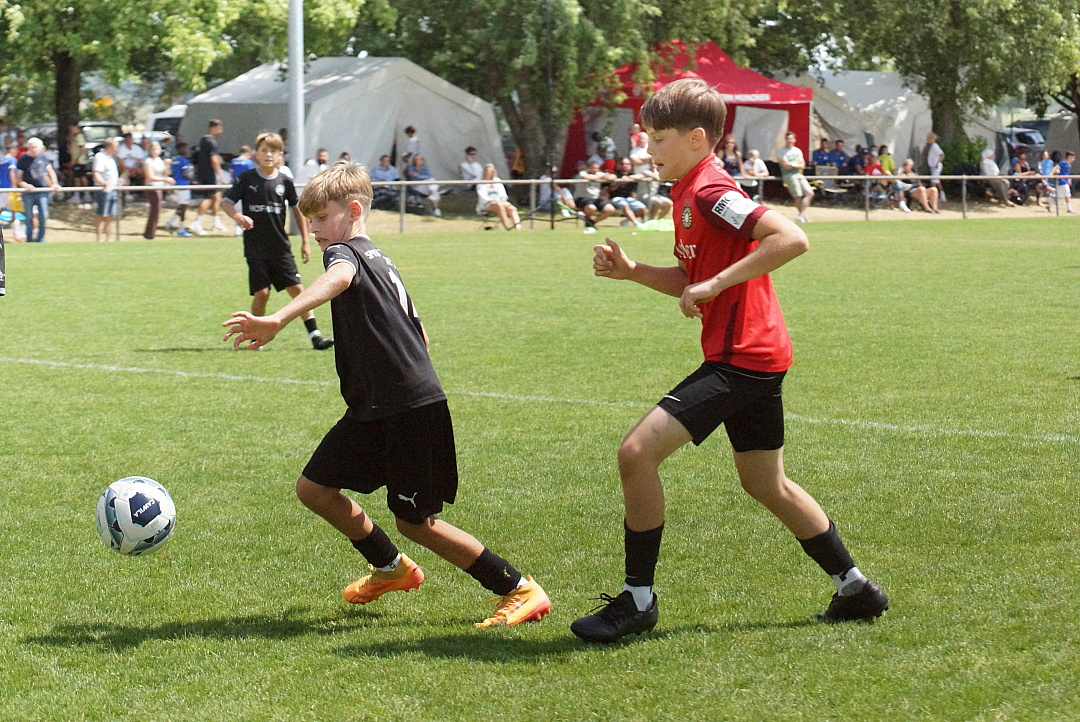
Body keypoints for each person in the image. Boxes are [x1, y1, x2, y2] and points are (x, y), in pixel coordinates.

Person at [571, 78, 887, 644]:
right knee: (766, 482)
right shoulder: (686, 193)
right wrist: (633, 272)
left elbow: (790, 238)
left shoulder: (712, 191)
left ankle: (637, 600)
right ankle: (855, 587)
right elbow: (690, 280)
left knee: (636, 454)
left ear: (696, 139)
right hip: (755, 355)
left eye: (658, 138)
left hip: (742, 357)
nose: (648, 148)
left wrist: (716, 283)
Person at [220, 160, 551, 628]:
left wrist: (278, 318)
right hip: (376, 407)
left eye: (321, 217)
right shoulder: (380, 257)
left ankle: (517, 587)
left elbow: (339, 277)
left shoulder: (345, 252)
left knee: (415, 521)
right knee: (314, 488)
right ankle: (391, 567)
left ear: (354, 210)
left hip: (405, 409)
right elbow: (420, 333)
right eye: (309, 219)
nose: (314, 228)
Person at [221, 132, 333, 351]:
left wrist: (305, 241)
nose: (268, 155)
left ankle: (316, 336)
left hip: (280, 247)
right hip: (255, 247)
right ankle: (255, 337)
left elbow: (297, 211)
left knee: (297, 290)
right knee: (262, 293)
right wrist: (238, 217)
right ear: (256, 154)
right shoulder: (246, 179)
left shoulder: (284, 181)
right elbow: (226, 202)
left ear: (280, 155)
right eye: (264, 151)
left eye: (273, 151)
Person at [16, 137, 61, 243]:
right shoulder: (23, 159)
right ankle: (29, 239)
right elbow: (18, 178)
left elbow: (50, 171)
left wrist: (54, 183)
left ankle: (40, 239)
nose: (33, 149)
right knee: (28, 216)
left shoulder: (43, 158)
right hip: (28, 192)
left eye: (35, 147)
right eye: (31, 147)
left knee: (43, 215)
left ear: (40, 148)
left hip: (42, 191)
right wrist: (25, 185)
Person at [190, 119, 226, 235]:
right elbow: (214, 160)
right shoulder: (211, 142)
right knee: (209, 197)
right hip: (209, 174)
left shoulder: (203, 140)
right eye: (219, 128)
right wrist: (220, 174)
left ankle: (216, 222)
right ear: (213, 128)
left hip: (203, 172)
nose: (221, 131)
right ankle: (196, 222)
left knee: (217, 196)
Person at [142, 141, 175, 239]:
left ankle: (151, 233)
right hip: (152, 187)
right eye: (154, 149)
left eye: (158, 149)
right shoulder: (148, 161)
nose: (156, 151)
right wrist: (165, 179)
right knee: (155, 210)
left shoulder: (159, 160)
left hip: (159, 187)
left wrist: (167, 165)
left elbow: (165, 173)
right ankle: (149, 234)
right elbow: (150, 177)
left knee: (157, 210)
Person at [779, 131, 814, 223]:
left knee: (810, 193)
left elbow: (802, 165)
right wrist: (796, 164)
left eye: (791, 138)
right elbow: (786, 166)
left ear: (794, 139)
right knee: (798, 196)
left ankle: (801, 216)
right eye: (788, 139)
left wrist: (792, 164)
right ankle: (804, 217)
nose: (789, 140)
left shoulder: (797, 151)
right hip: (789, 175)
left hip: (799, 174)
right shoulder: (782, 151)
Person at [475, 163, 521, 230]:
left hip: (500, 202)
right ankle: (508, 227)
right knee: (500, 205)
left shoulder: (497, 181)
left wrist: (503, 201)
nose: (489, 173)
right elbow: (483, 197)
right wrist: (494, 202)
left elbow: (502, 193)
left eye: (491, 171)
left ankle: (517, 227)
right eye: (487, 171)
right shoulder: (480, 184)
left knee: (512, 208)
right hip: (487, 205)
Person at [574, 159, 615, 234]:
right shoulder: (582, 172)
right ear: (588, 168)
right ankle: (587, 218)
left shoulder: (599, 174)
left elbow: (612, 176)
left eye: (597, 168)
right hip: (582, 198)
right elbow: (588, 177)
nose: (595, 170)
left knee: (610, 209)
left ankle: (592, 222)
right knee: (592, 208)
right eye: (593, 168)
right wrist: (603, 177)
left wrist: (606, 176)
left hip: (596, 199)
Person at [91, 138, 120, 242]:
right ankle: (99, 239)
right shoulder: (100, 157)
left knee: (110, 216)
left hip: (113, 190)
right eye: (116, 146)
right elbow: (96, 173)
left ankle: (109, 238)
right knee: (101, 215)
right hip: (104, 191)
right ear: (110, 146)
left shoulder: (111, 158)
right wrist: (103, 183)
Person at [608, 157, 648, 227]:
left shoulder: (632, 174)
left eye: (627, 164)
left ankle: (625, 221)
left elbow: (641, 176)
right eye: (622, 164)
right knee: (625, 205)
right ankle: (636, 223)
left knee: (642, 208)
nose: (624, 166)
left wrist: (630, 178)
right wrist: (619, 179)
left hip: (629, 198)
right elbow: (609, 177)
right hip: (616, 198)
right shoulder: (616, 174)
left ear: (631, 166)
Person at [165, 141, 194, 237]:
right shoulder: (183, 160)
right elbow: (186, 173)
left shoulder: (174, 159)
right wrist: (193, 180)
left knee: (181, 206)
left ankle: (171, 221)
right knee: (183, 207)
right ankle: (181, 228)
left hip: (176, 185)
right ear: (181, 149)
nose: (187, 150)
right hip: (183, 185)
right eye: (185, 148)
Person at [925, 132, 945, 202]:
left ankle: (934, 196)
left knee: (933, 181)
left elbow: (942, 155)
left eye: (928, 139)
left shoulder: (935, 146)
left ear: (932, 139)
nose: (927, 140)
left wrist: (937, 162)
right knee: (937, 181)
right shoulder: (932, 146)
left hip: (936, 166)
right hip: (933, 166)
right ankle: (942, 195)